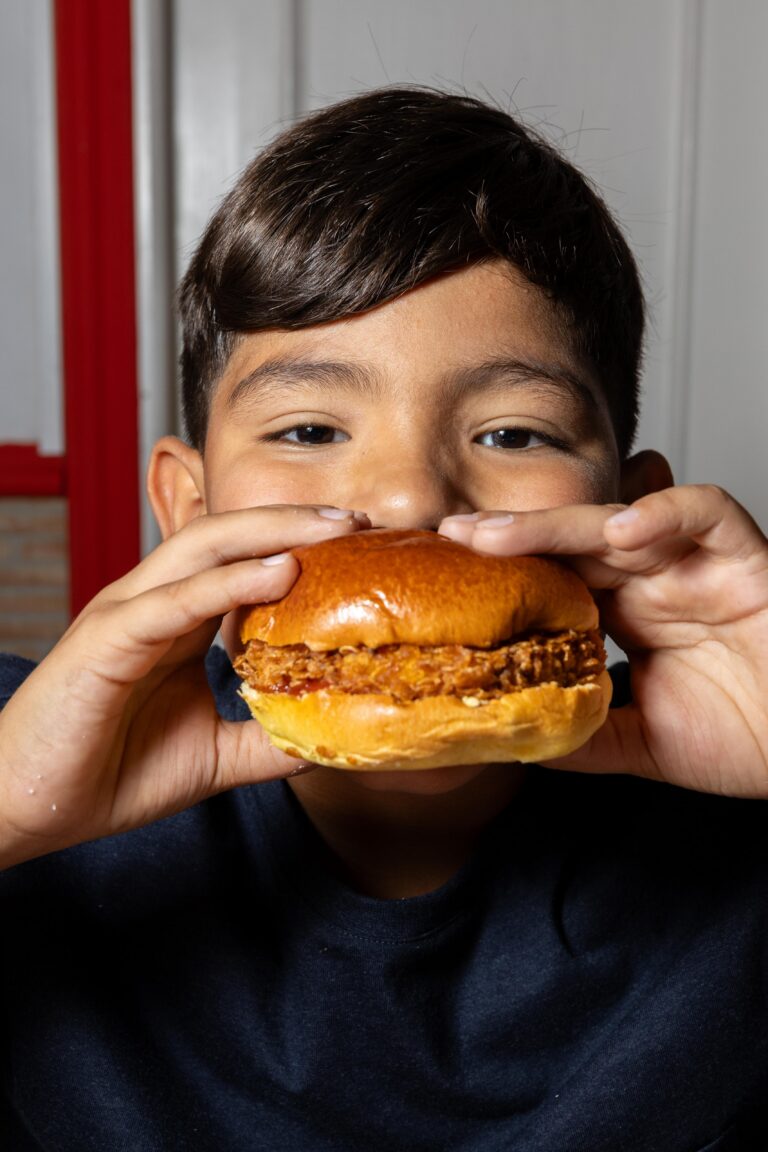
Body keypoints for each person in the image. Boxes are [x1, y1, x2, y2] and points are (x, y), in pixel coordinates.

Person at [1, 86, 766, 1151]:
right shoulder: (25, 769)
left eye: (513, 435)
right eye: (310, 425)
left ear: (625, 512)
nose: (410, 499)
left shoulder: (736, 810)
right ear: (188, 507)